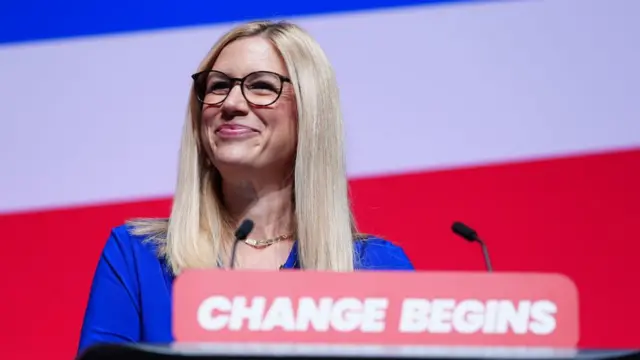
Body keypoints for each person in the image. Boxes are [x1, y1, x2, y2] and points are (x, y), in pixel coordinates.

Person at [77, 20, 414, 354]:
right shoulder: (136, 257)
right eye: (218, 86)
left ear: (310, 112)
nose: (231, 104)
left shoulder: (379, 269)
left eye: (262, 86)